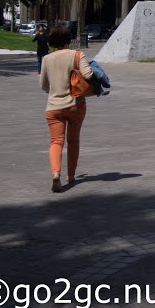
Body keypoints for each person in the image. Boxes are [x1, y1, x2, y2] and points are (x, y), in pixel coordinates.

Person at [39, 26, 93, 193]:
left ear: (52, 42)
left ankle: (56, 174)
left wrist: (55, 89)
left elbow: (43, 86)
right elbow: (89, 74)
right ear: (68, 40)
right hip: (76, 104)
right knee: (73, 141)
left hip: (53, 107)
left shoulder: (46, 59)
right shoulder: (77, 55)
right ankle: (71, 175)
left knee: (56, 141)